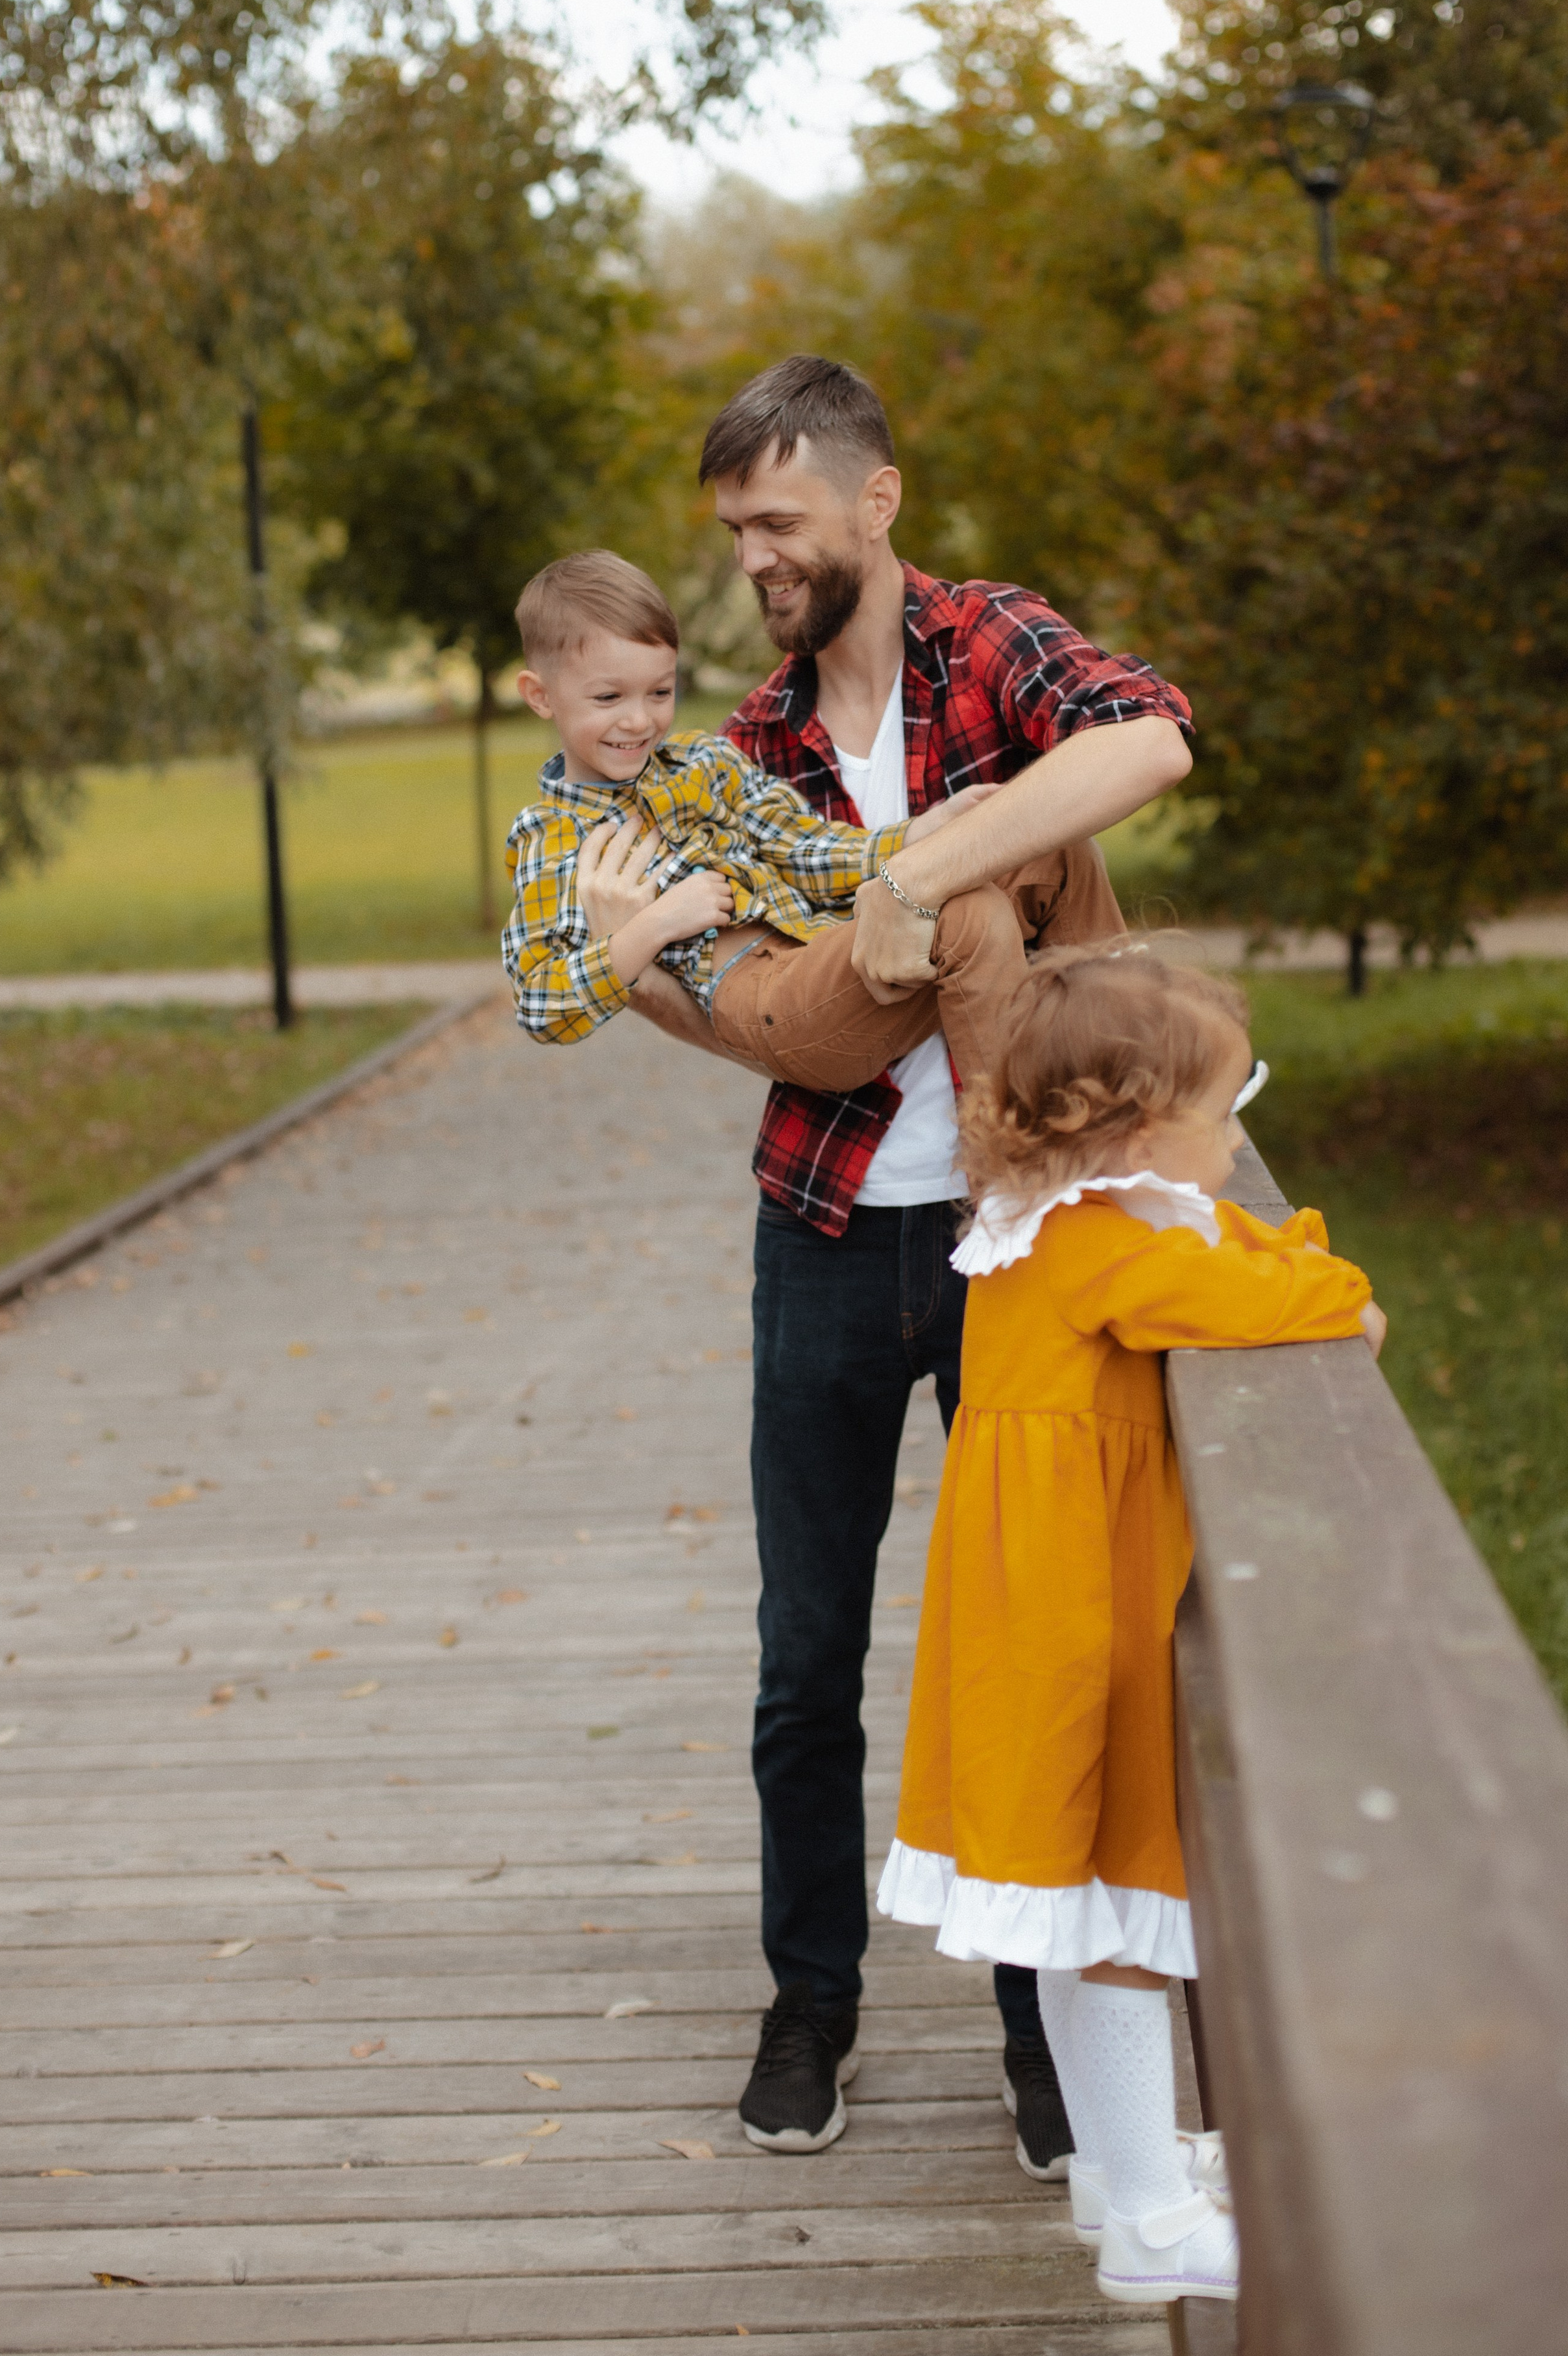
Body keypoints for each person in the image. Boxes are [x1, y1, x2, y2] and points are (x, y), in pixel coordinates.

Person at [602, 355, 1196, 2167]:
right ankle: (815, 2002)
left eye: (778, 524)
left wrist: (925, 868)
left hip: (1026, 1240)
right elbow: (696, 978)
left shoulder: (989, 646)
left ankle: (1039, 2036)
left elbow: (1150, 738)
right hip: (830, 1234)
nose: (755, 562)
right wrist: (639, 958)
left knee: (1034, 1648)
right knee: (807, 1660)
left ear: (877, 501)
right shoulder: (753, 753)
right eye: (733, 536)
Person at [878, 940, 1386, 2303]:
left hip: (1039, 1607)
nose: (1235, 1139)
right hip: (1071, 1624)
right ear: (1137, 1133)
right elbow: (1263, 1295)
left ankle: (1119, 2172)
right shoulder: (1102, 1246)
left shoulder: (1054, 1223)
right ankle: (1153, 2231)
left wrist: (1231, 1221)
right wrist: (1344, 1286)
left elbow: (1210, 1250)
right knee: (1102, 1909)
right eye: (1226, 1114)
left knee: (1070, 1908)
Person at [501, 549, 1117, 1100]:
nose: (639, 721)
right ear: (541, 695)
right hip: (760, 995)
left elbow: (803, 847)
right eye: (609, 699)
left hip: (826, 952)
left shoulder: (704, 763)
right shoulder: (551, 836)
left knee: (1049, 852)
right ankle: (1020, 1187)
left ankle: (1139, 1083)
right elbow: (541, 1003)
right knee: (969, 919)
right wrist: (652, 928)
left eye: (660, 693)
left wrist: (923, 835)